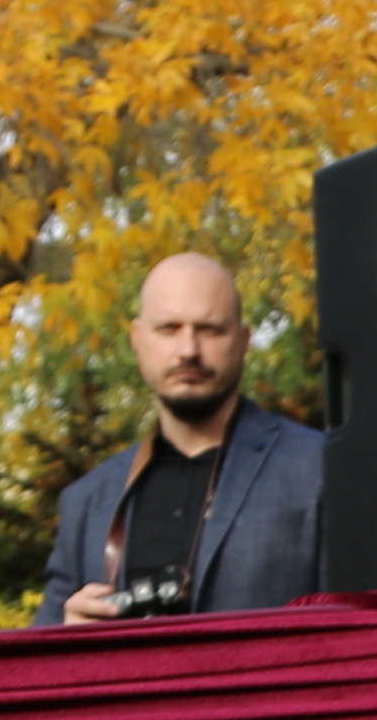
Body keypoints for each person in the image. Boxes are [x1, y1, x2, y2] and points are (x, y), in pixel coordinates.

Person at [47, 254, 324, 624]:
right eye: (168, 328)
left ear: (243, 341)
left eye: (210, 329)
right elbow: (36, 666)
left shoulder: (318, 469)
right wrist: (69, 645)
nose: (188, 350)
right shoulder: (87, 502)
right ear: (137, 340)